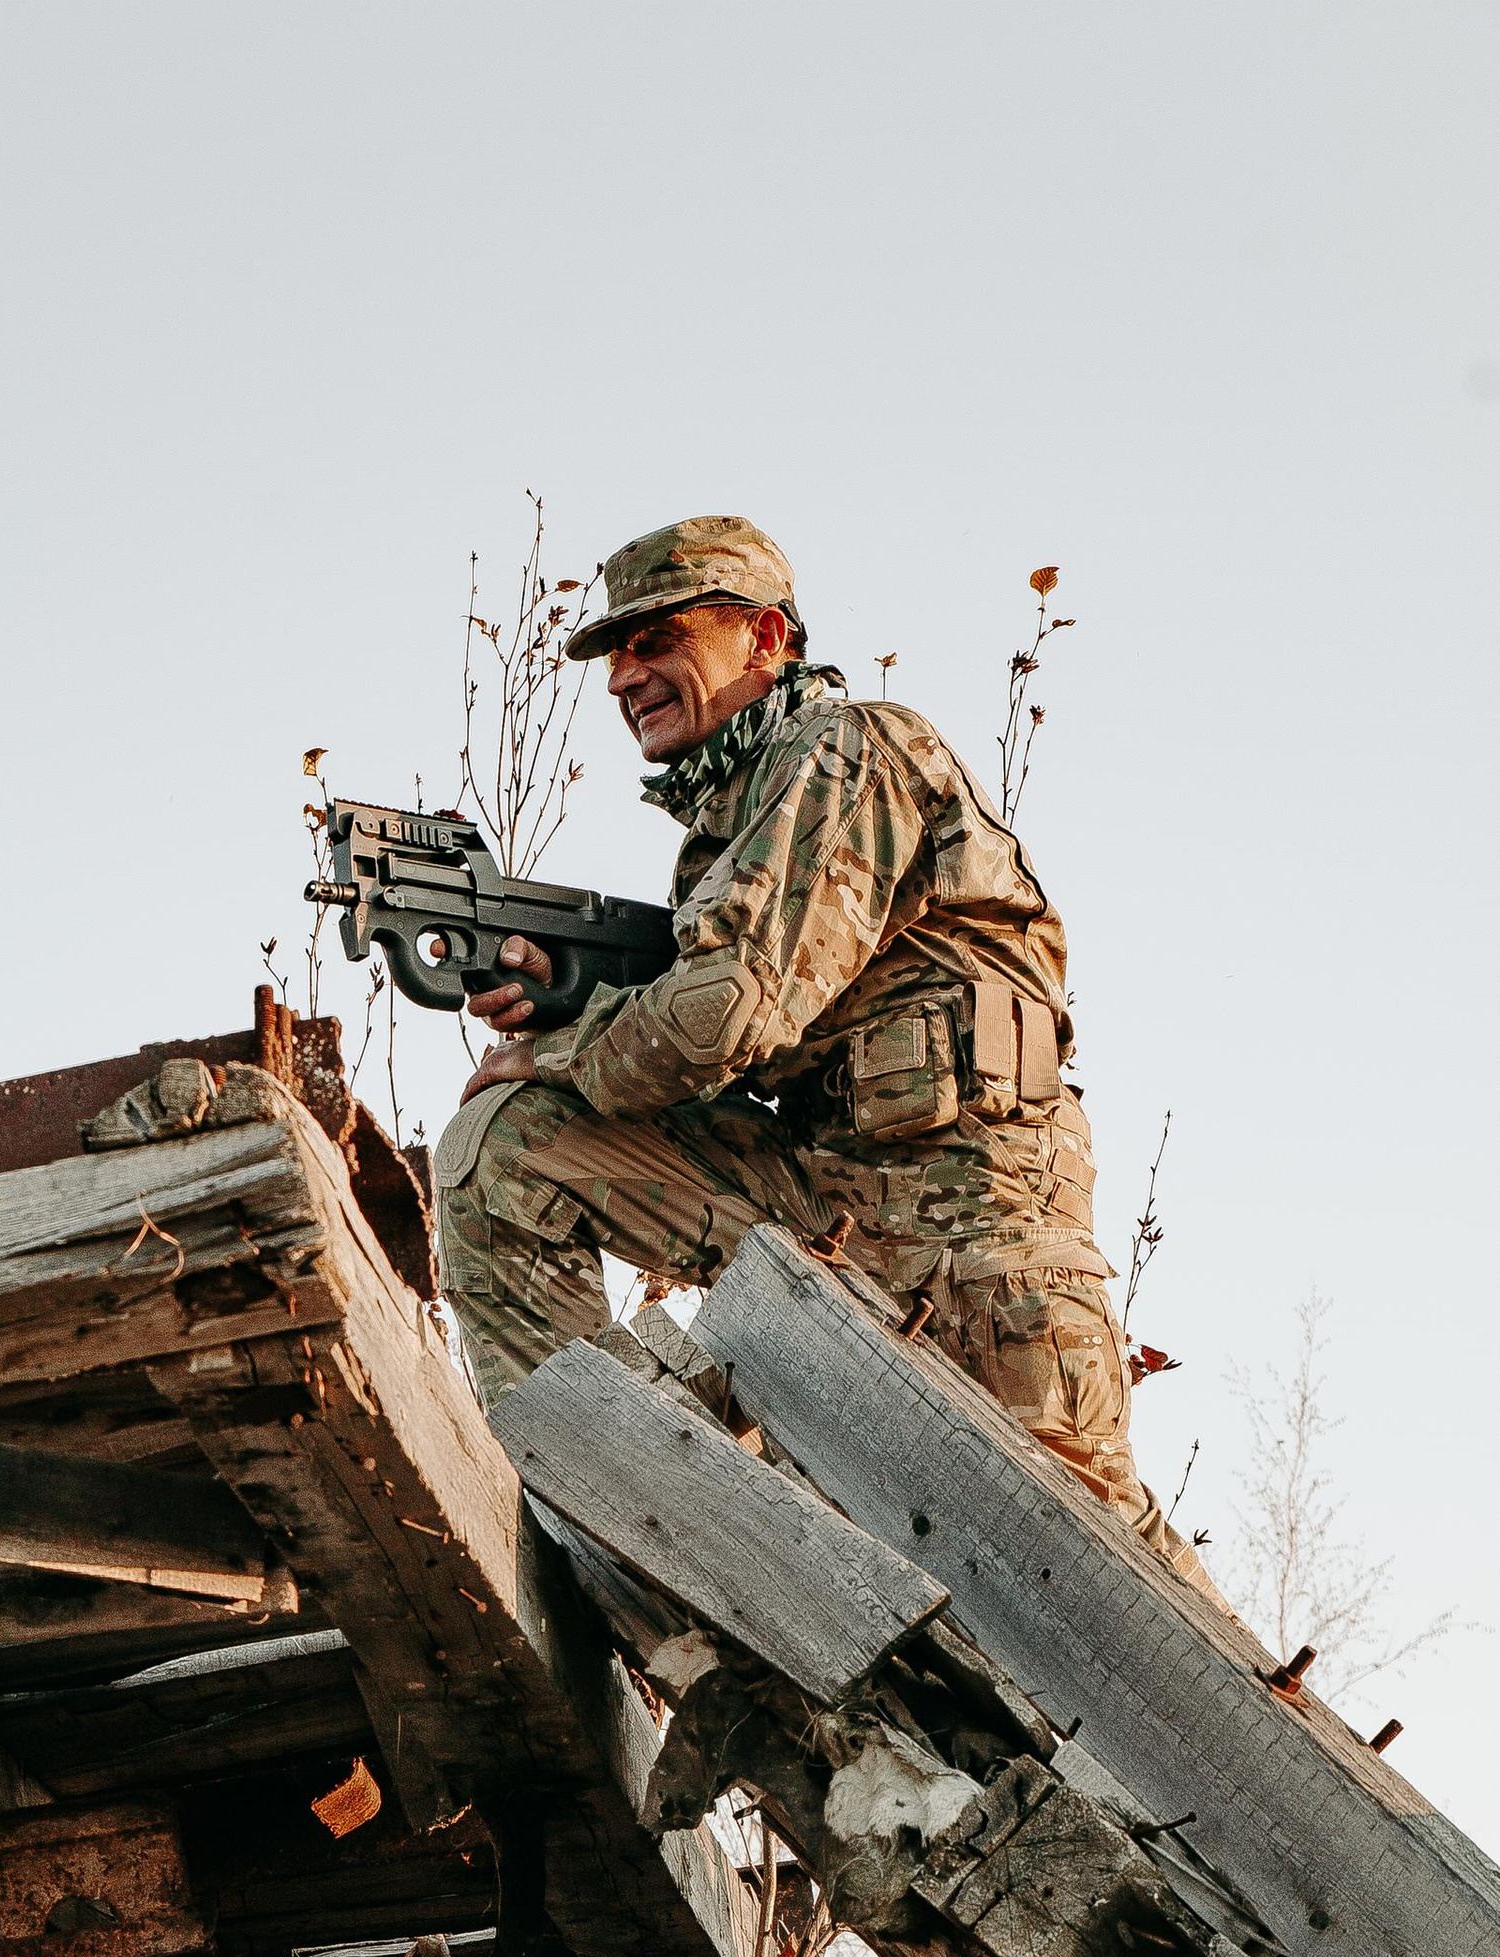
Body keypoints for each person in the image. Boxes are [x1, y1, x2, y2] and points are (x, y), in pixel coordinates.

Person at [433, 513, 1205, 1579]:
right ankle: (621, 1527)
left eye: (658, 643)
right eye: (614, 655)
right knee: (504, 1148)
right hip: (828, 1211)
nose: (624, 677)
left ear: (765, 639)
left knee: (1117, 1621)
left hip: (975, 1240)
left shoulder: (846, 750)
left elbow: (721, 1017)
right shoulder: (732, 827)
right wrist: (569, 1007)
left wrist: (564, 1047)